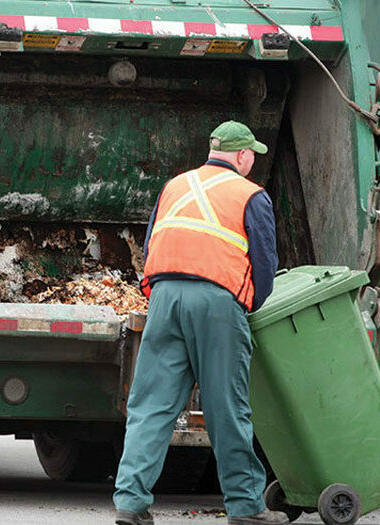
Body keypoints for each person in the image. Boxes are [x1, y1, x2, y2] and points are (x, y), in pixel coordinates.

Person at [113, 121, 285, 525]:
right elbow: (265, 264)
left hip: (165, 297)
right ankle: (245, 507)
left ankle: (130, 504)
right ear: (243, 156)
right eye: (253, 155)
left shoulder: (175, 186)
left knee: (151, 406)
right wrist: (248, 305)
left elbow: (151, 241)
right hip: (217, 303)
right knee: (227, 408)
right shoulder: (251, 194)